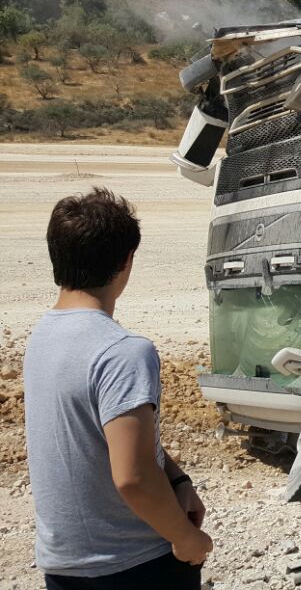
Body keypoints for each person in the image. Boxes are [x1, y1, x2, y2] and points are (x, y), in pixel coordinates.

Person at [25, 188, 213, 589]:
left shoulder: (40, 338)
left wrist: (178, 480)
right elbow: (133, 477)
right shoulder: (124, 351)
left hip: (63, 566)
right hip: (134, 565)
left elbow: (100, 439)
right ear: (127, 261)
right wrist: (188, 540)